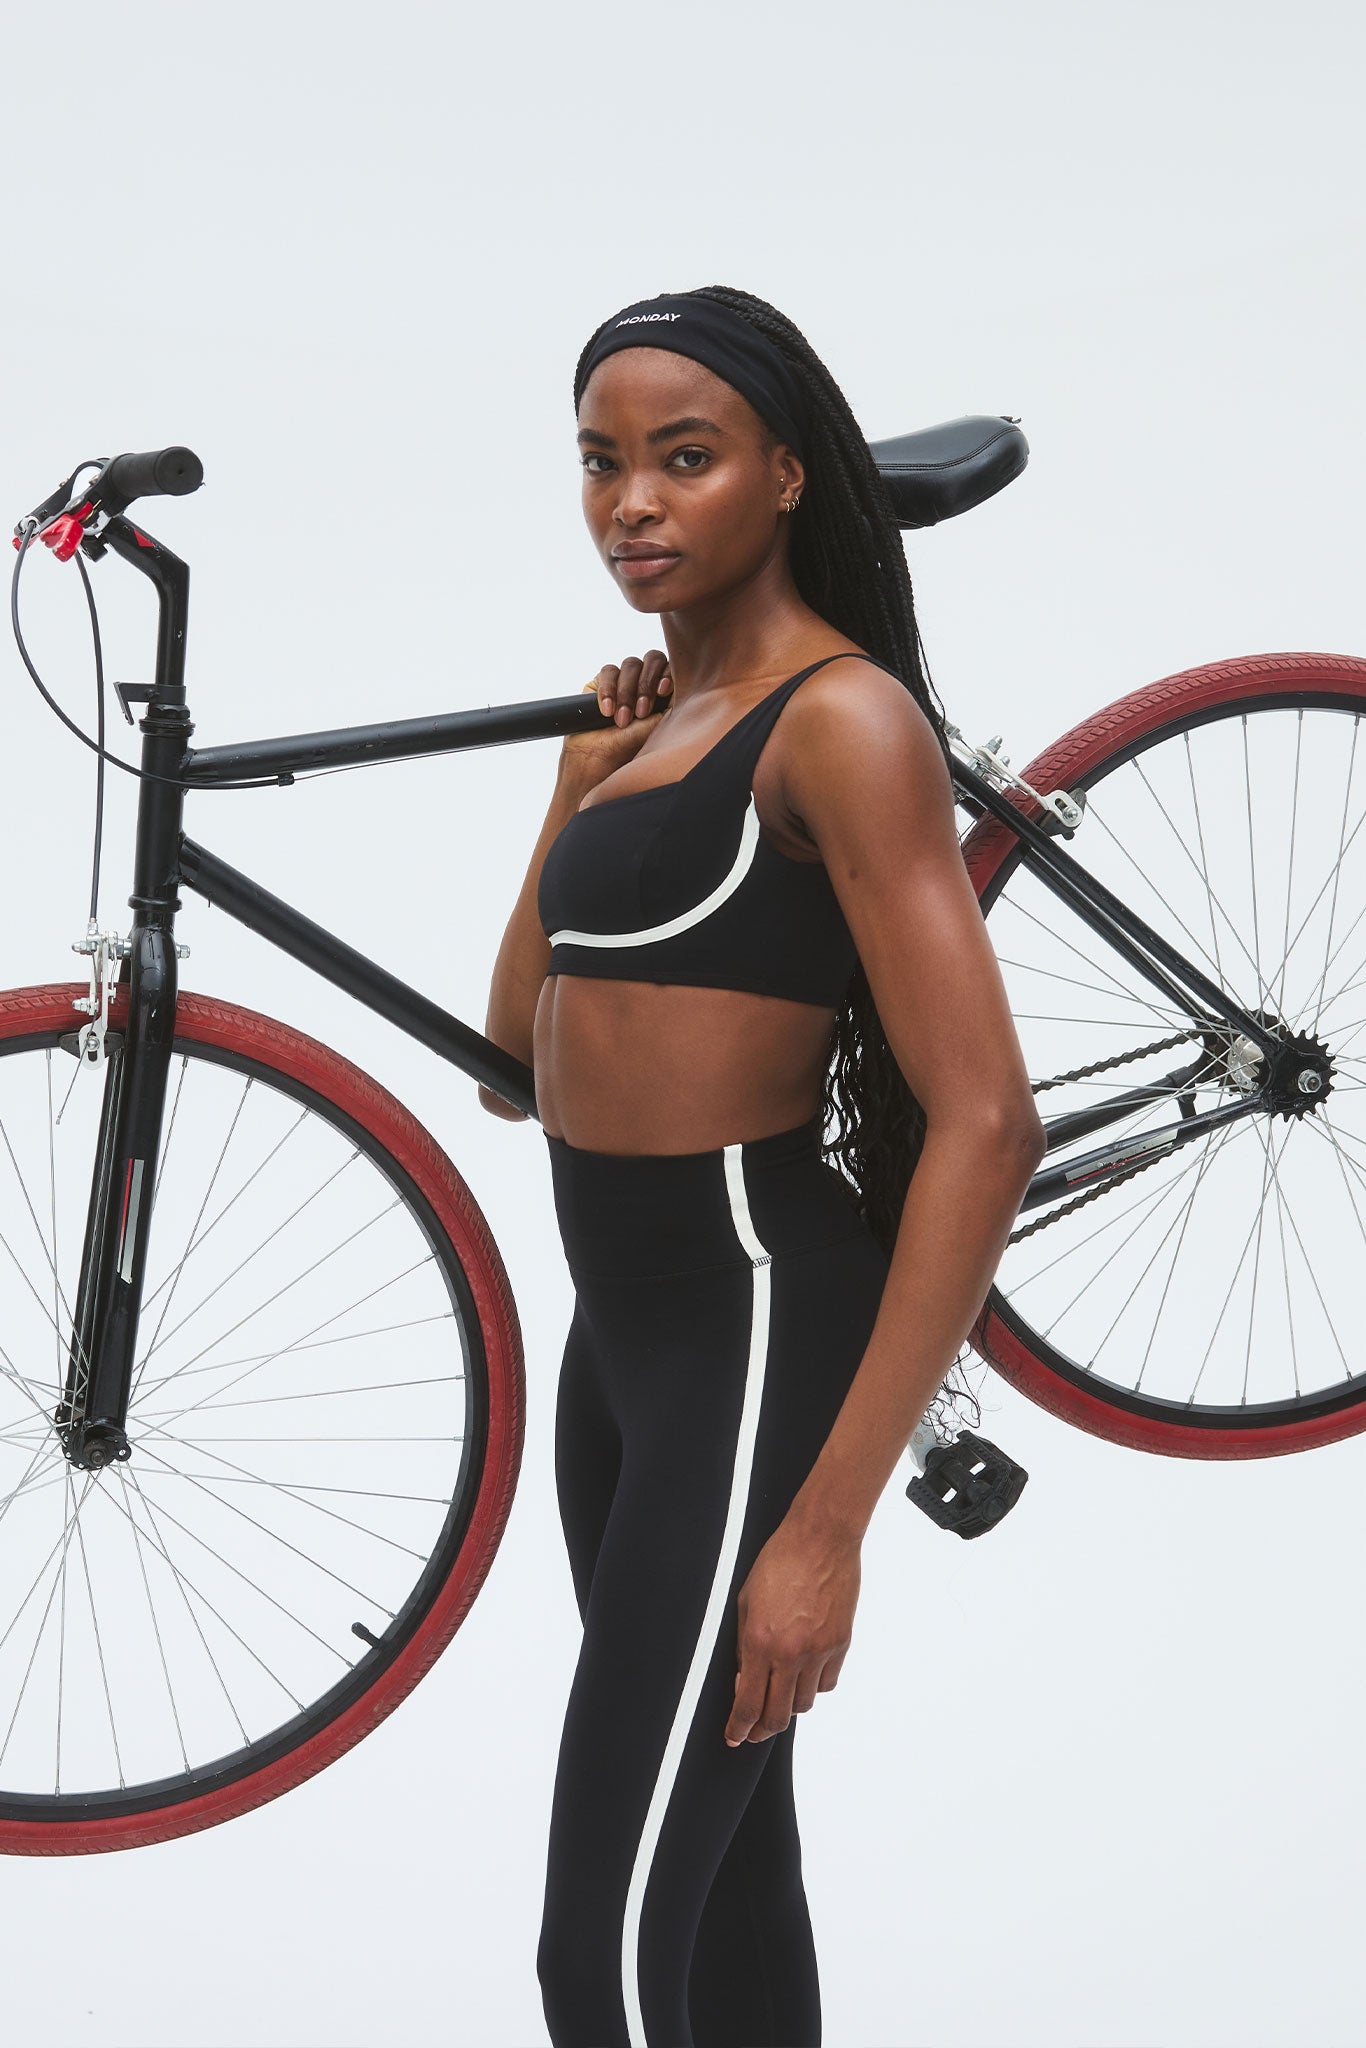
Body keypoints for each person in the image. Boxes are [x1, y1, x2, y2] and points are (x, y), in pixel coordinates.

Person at [480, 285, 1046, 2048]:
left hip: (746, 1324)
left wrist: (824, 1527)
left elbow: (985, 1119)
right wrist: (573, 783)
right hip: (619, 1355)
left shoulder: (839, 724)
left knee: (605, 1949)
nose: (630, 502)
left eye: (684, 458)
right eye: (599, 465)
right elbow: (514, 1066)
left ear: (788, 477)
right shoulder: (649, 726)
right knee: (721, 1891)